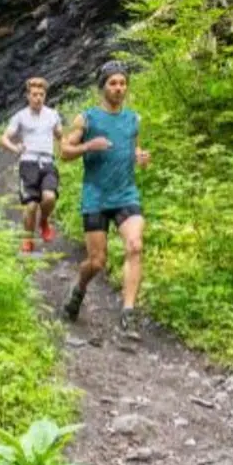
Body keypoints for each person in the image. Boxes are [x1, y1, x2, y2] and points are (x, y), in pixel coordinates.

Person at [60, 60, 150, 338]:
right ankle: (79, 288)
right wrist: (88, 145)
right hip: (96, 197)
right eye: (113, 83)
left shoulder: (133, 119)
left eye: (122, 83)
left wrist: (141, 157)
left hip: (125, 194)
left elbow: (134, 150)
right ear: (103, 87)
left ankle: (128, 313)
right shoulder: (87, 118)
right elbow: (64, 151)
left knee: (135, 246)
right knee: (96, 262)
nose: (119, 88)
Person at [0, 76, 63, 252]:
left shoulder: (53, 115)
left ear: (45, 96)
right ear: (28, 96)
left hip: (48, 161)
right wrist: (15, 148)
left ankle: (43, 221)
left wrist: (63, 148)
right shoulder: (20, 116)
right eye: (34, 94)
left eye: (41, 94)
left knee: (49, 197)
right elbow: (4, 138)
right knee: (31, 204)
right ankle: (28, 237)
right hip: (28, 162)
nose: (38, 98)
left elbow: (60, 136)